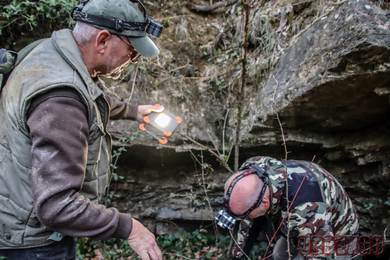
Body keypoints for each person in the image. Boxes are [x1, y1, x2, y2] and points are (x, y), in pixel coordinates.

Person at [0, 0, 164, 259]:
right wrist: (130, 228)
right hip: (39, 244)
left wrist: (134, 111)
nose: (132, 61)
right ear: (103, 40)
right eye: (132, 51)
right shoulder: (61, 99)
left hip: (16, 214)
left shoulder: (47, 54)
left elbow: (85, 98)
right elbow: (58, 207)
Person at [216, 156, 360, 260]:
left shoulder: (307, 208)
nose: (245, 219)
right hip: (295, 224)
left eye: (246, 215)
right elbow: (248, 221)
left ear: (265, 202)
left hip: (338, 236)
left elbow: (320, 256)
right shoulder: (253, 168)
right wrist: (239, 256)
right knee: (279, 254)